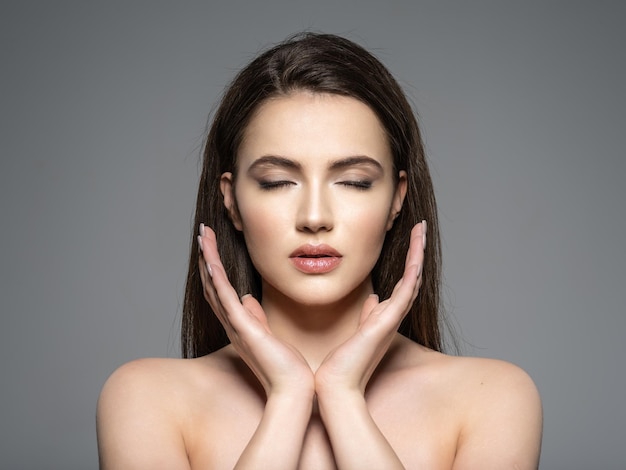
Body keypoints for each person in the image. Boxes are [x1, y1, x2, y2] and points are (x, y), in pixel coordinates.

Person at [96, 32, 542, 469]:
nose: (314, 216)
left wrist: (343, 394)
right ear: (231, 201)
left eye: (353, 181)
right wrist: (288, 397)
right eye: (276, 181)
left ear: (397, 200)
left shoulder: (493, 399)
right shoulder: (145, 399)